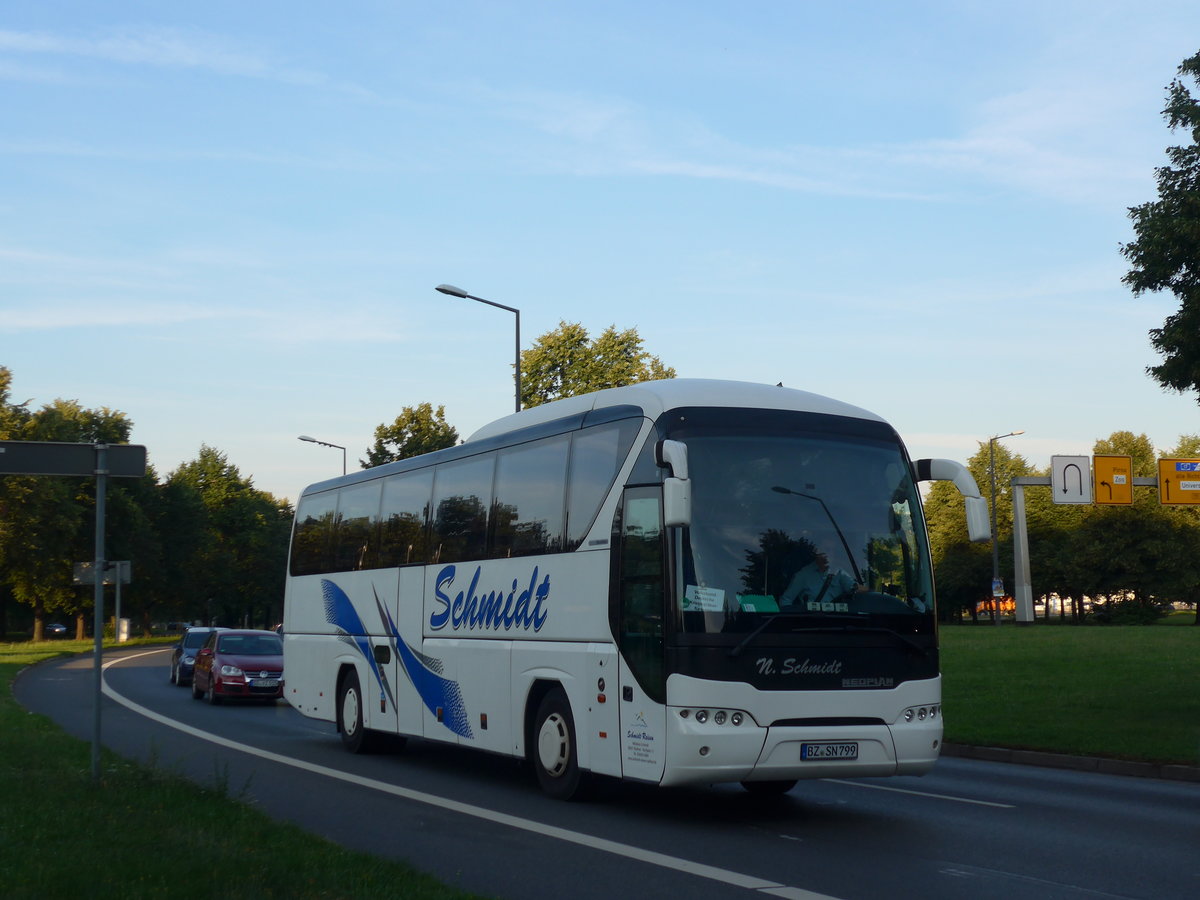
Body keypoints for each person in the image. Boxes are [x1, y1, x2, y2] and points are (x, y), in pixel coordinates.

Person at [779, 550, 860, 608]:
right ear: (817, 552)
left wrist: (868, 591)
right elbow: (786, 600)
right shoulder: (803, 575)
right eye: (825, 550)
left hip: (838, 621)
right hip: (812, 622)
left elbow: (855, 589)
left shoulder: (840, 573)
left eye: (831, 550)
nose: (827, 555)